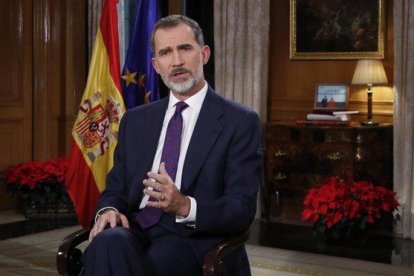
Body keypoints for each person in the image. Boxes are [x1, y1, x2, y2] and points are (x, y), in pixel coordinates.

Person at [81, 15, 263, 276]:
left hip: (193, 238)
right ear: (156, 65)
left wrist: (184, 205)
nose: (176, 61)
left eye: (185, 48)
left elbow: (241, 209)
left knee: (133, 264)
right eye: (166, 53)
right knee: (107, 242)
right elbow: (116, 188)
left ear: (205, 54)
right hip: (138, 227)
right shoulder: (135, 120)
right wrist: (108, 210)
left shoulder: (239, 121)